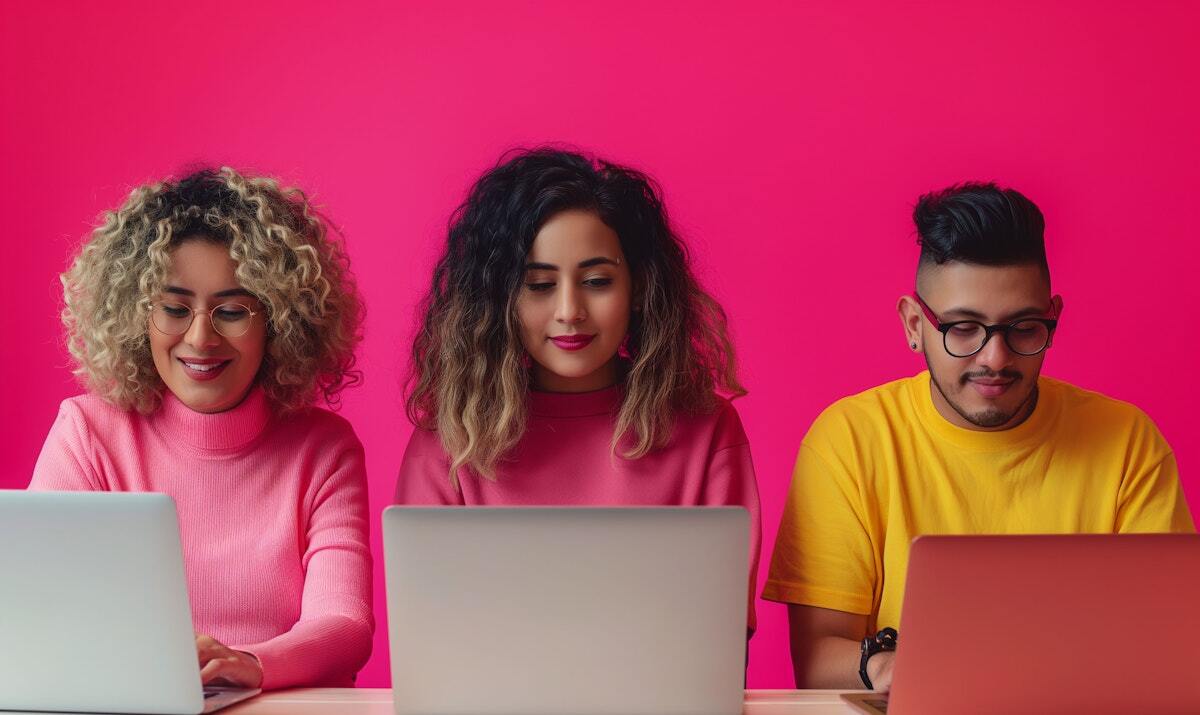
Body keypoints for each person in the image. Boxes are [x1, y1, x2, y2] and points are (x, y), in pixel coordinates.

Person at [763, 182, 1194, 691]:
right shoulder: (850, 440)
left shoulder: (1127, 442)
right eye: (964, 328)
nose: (995, 358)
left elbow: (1167, 646)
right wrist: (887, 666)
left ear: (1053, 320)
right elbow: (816, 662)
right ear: (913, 324)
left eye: (1024, 327)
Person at [29, 168, 373, 690]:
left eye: (232, 311)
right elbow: (40, 607)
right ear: (136, 314)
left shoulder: (323, 448)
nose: (199, 338)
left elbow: (345, 625)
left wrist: (248, 665)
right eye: (173, 308)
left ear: (280, 320)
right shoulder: (87, 433)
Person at [396, 148, 761, 630]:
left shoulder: (708, 430)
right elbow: (430, 630)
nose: (570, 310)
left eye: (596, 280)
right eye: (540, 285)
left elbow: (722, 629)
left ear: (640, 288)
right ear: (499, 300)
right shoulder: (449, 441)